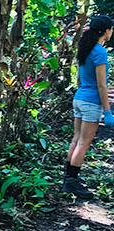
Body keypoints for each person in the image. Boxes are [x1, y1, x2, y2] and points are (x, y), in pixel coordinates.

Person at [63, 15, 114, 199]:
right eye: (111, 28)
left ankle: (68, 177)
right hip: (91, 101)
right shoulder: (100, 52)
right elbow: (102, 85)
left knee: (76, 139)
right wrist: (107, 111)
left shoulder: (85, 47)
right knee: (83, 143)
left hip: (79, 98)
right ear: (106, 30)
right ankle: (72, 182)